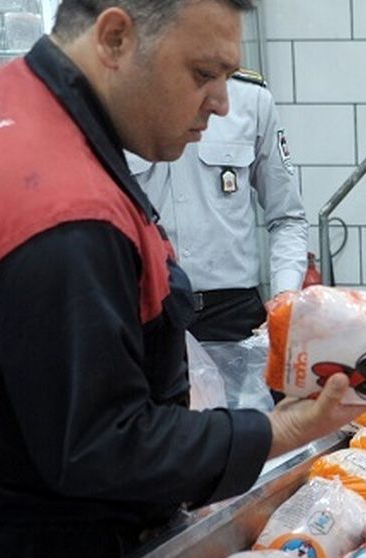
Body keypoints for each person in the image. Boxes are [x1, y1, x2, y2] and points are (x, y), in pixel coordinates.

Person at [0, 0, 361, 558]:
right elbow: (101, 446)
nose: (222, 103)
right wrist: (284, 428)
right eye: (202, 74)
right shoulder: (58, 211)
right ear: (116, 37)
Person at [127, 71, 308, 410]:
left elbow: (288, 218)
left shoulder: (249, 99)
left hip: (233, 319)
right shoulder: (122, 101)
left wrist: (285, 297)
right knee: (158, 447)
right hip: (148, 313)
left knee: (252, 447)